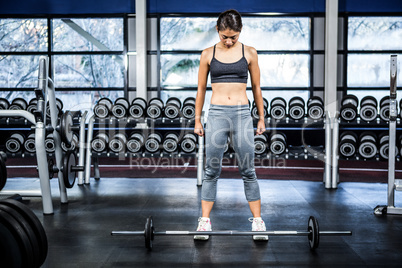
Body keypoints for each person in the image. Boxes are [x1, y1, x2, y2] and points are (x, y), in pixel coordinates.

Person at [193, 9, 268, 241]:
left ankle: (257, 222)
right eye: (224, 36)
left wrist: (262, 118)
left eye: (233, 36)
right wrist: (197, 119)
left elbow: (256, 88)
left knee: (248, 169)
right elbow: (201, 89)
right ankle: (204, 222)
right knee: (211, 170)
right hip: (216, 114)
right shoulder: (207, 54)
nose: (228, 41)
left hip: (241, 114)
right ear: (217, 30)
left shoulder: (250, 53)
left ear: (240, 31)